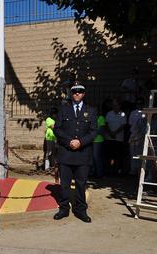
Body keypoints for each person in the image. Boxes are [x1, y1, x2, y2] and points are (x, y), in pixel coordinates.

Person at [53, 83, 97, 223]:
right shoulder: (63, 110)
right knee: (65, 184)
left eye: (80, 92)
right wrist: (69, 141)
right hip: (66, 152)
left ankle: (80, 210)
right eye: (74, 92)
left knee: (81, 183)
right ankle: (64, 208)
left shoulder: (91, 110)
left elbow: (94, 131)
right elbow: (57, 129)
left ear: (84, 94)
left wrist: (81, 142)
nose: (77, 94)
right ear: (71, 94)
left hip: (83, 154)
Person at [104, 98, 127, 176]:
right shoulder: (109, 114)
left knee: (117, 156)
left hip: (118, 139)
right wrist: (110, 133)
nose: (114, 107)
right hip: (109, 138)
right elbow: (106, 124)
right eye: (113, 105)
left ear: (120, 106)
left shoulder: (123, 114)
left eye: (116, 105)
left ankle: (116, 171)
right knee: (109, 156)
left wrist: (115, 133)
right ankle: (108, 171)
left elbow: (123, 125)